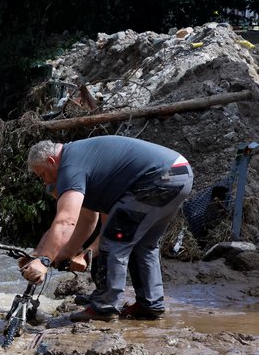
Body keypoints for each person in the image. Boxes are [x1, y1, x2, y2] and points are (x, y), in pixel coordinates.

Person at [20, 136, 193, 322]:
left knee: (114, 240)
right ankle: (150, 305)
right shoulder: (82, 160)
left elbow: (66, 221)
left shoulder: (70, 168)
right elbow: (86, 220)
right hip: (179, 173)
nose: (46, 183)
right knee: (143, 244)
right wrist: (61, 254)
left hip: (159, 178)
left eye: (42, 175)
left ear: (51, 161)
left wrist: (44, 260)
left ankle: (105, 307)